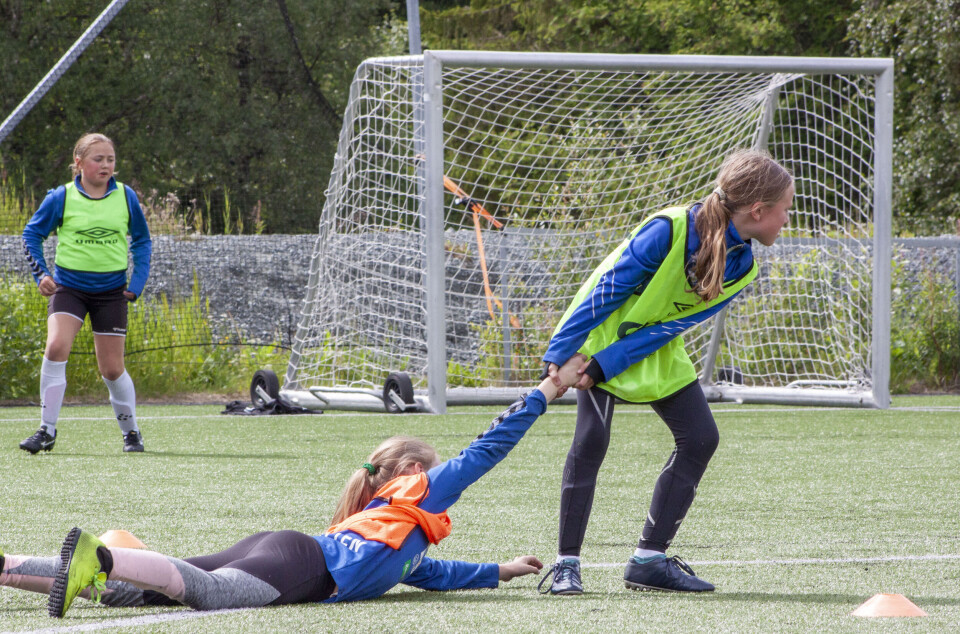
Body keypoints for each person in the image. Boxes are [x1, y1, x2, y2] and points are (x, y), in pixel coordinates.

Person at [0, 356, 583, 617]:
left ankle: (10, 565)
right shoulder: (417, 496)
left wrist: (499, 571)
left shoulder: (399, 537)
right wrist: (545, 393)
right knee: (207, 594)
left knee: (132, 592)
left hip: (282, 548)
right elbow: (489, 448)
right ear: (411, 472)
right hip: (301, 565)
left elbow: (431, 575)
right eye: (429, 470)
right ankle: (102, 553)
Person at [538, 149, 794, 595]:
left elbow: (670, 325)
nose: (786, 221)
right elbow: (604, 292)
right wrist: (563, 355)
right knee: (592, 439)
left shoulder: (743, 266)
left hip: (651, 346)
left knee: (700, 438)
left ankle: (649, 560)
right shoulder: (669, 228)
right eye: (785, 211)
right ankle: (566, 566)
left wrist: (607, 368)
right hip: (601, 333)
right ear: (758, 210)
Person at [20, 132, 152, 454]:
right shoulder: (61, 197)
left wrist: (135, 286)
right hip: (69, 289)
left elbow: (142, 242)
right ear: (78, 163)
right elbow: (31, 233)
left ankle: (131, 433)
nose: (106, 165)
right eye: (98, 159)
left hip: (111, 293)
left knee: (111, 368)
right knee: (55, 346)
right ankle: (46, 430)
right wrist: (42, 274)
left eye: (110, 160)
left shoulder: (126, 196)